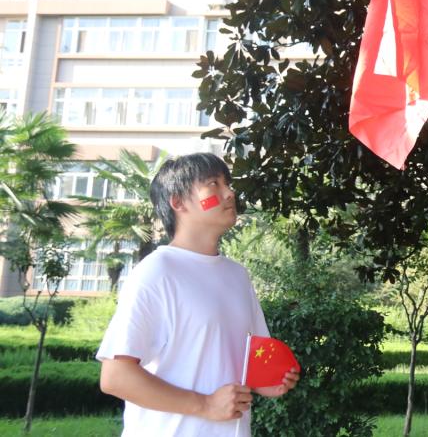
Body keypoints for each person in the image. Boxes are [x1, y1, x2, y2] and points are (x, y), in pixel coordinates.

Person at [97, 153, 299, 436]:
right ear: (178, 202)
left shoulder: (237, 276)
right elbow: (116, 377)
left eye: (228, 184)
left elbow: (247, 360)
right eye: (213, 184)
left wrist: (270, 380)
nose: (230, 193)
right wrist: (205, 405)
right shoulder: (156, 272)